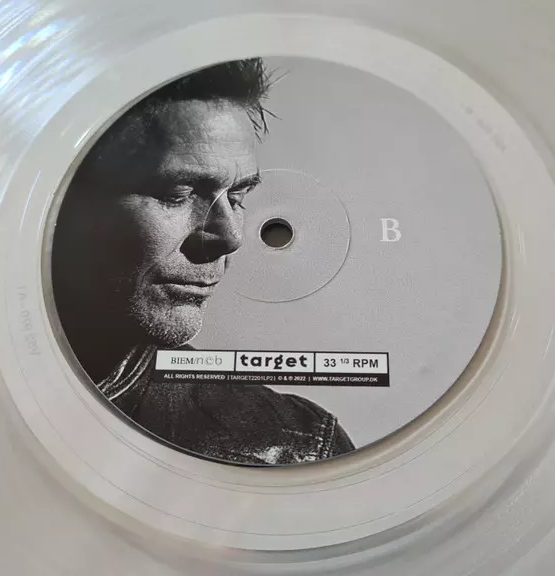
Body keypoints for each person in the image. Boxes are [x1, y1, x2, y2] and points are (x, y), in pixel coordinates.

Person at [51, 58, 354, 465]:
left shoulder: (293, 450)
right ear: (61, 197)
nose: (230, 237)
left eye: (238, 196)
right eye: (178, 194)